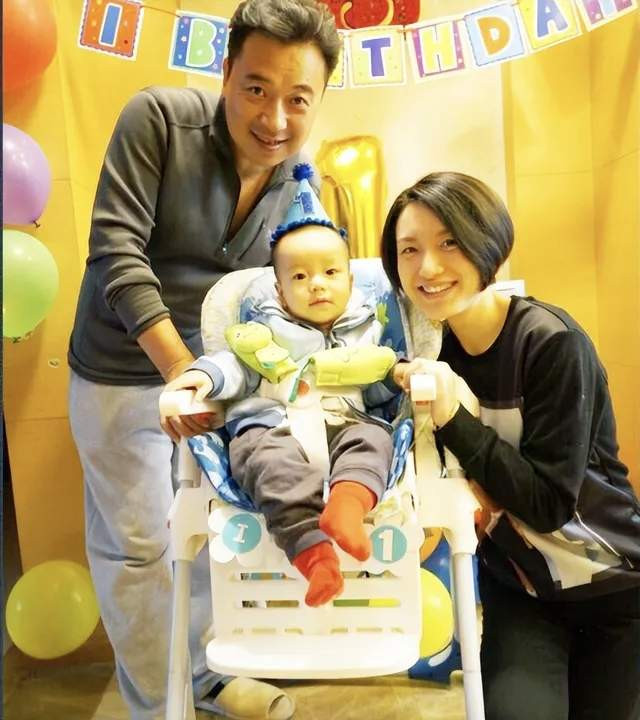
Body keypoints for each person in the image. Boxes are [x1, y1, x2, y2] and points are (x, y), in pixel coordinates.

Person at [67, 2, 341, 718]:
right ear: (225, 74)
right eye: (256, 89)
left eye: (297, 99)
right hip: (121, 370)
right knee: (137, 548)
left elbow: (287, 296)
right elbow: (116, 253)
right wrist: (181, 372)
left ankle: (206, 678)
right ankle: (160, 705)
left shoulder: (299, 187)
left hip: (215, 383)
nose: (274, 118)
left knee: (207, 533)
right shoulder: (158, 120)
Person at [380, 171, 640, 720]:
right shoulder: (437, 358)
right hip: (522, 592)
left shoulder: (551, 343)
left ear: (488, 241)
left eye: (450, 242)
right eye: (410, 249)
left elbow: (548, 504)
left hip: (613, 590)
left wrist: (454, 419)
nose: (428, 268)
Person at [162, 165, 399, 608]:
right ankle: (314, 555)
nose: (317, 285)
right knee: (265, 464)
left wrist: (398, 374)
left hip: (346, 420)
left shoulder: (367, 331)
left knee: (376, 439)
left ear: (351, 280)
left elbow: (381, 391)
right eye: (300, 277)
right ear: (279, 289)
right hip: (273, 426)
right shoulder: (263, 333)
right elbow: (233, 367)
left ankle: (347, 507)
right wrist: (201, 377)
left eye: (330, 272)